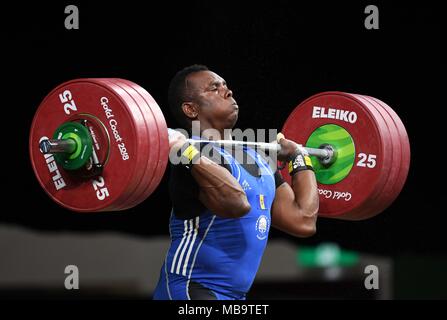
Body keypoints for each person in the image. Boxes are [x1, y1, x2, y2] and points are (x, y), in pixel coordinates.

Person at [153, 65, 319, 300]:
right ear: (191, 109)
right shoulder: (191, 158)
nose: (227, 91)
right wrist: (183, 149)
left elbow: (303, 221)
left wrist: (299, 158)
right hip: (191, 289)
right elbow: (236, 204)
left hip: (235, 296)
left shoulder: (256, 158)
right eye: (214, 88)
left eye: (226, 86)